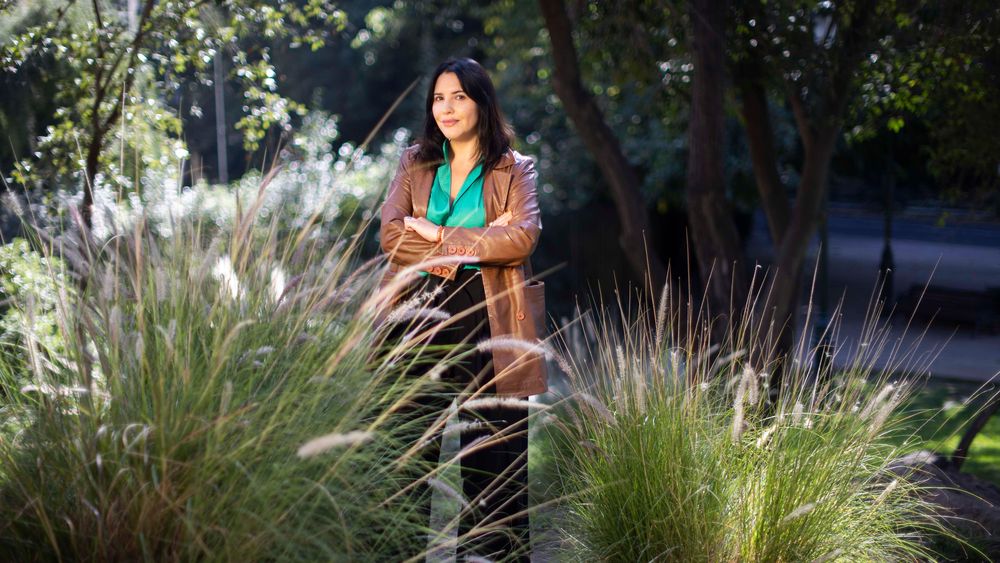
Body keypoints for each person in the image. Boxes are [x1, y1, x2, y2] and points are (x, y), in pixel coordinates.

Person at [378, 56, 547, 562]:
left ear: (481, 102)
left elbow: (521, 238)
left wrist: (440, 236)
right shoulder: (415, 162)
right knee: (406, 458)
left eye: (458, 97)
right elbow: (392, 237)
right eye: (438, 98)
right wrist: (473, 245)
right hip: (415, 314)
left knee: (494, 465)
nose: (446, 108)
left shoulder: (514, 169)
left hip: (493, 317)